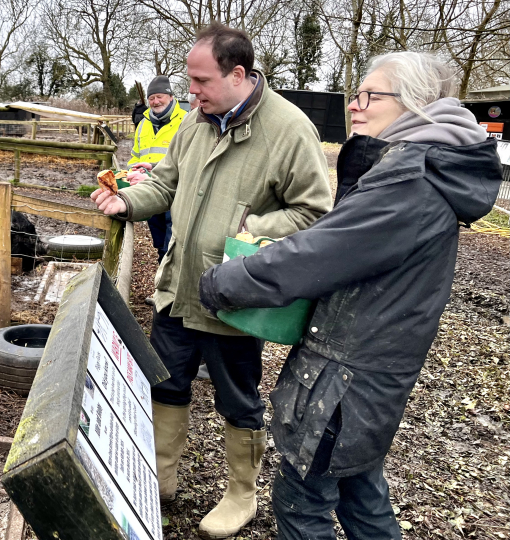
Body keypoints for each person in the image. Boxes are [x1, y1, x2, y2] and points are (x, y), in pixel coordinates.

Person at [198, 51, 502, 539]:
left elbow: (317, 253)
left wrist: (222, 283)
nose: (354, 107)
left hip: (346, 377)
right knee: (360, 491)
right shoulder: (419, 167)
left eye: (368, 96)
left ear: (415, 104)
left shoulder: (409, 182)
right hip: (374, 368)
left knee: (302, 501)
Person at [91, 22, 333, 538]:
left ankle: (241, 496)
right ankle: (160, 481)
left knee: (238, 398)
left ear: (238, 74)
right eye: (188, 81)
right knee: (167, 384)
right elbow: (163, 183)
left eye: (200, 81)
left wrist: (246, 229)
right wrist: (127, 203)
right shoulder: (195, 123)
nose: (190, 91)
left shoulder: (289, 130)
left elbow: (315, 214)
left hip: (237, 299)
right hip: (178, 288)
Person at [126, 75, 188, 280]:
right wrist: (131, 170)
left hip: (176, 192)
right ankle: (163, 283)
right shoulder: (143, 123)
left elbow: (186, 160)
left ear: (170, 97)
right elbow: (136, 154)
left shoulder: (185, 121)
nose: (155, 102)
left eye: (159, 97)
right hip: (149, 191)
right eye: (152, 98)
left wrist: (153, 170)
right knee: (159, 240)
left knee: (173, 241)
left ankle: (171, 286)